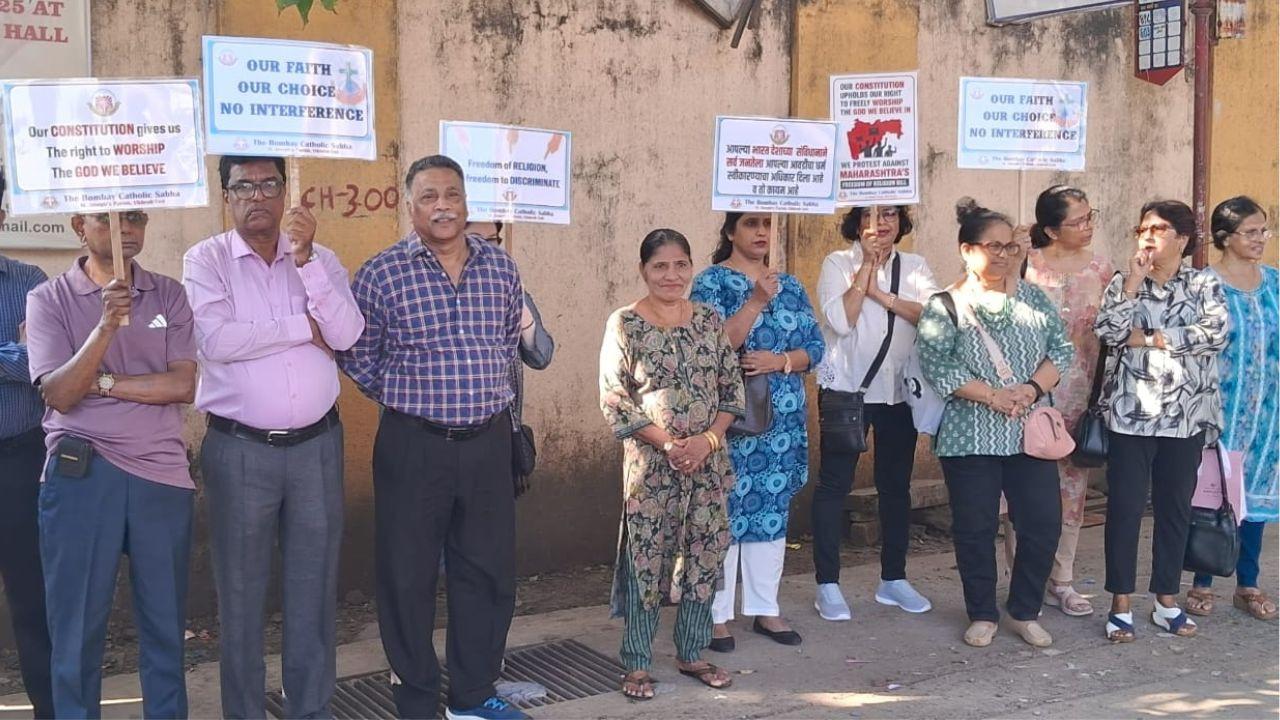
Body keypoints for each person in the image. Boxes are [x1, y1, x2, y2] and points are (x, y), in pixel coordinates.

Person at [338, 155, 528, 720]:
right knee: (406, 575)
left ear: (467, 203)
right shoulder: (381, 273)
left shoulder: (500, 268)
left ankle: (472, 694)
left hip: (487, 443)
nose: (442, 205)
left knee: (488, 571)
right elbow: (358, 356)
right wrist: (408, 398)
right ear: (410, 205)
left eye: (451, 194)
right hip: (413, 446)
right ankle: (416, 700)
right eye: (428, 196)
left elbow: (507, 346)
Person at [182, 156, 365, 719]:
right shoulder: (206, 260)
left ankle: (309, 709)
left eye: (268, 184)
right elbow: (214, 340)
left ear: (287, 192)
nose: (257, 196)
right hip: (239, 451)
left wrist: (306, 261)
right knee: (240, 596)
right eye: (244, 186)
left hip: (316, 447)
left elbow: (347, 332)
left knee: (312, 592)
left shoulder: (322, 259)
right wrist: (299, 329)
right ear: (225, 195)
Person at [25, 209, 197, 718]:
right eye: (108, 217)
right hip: (82, 475)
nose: (126, 229)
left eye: (137, 218)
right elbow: (58, 392)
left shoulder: (168, 293)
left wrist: (103, 385)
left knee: (166, 630)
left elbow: (182, 385)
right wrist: (105, 326)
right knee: (76, 635)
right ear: (80, 226)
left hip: (162, 476)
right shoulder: (48, 300)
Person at [916, 199, 1074, 649]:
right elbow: (938, 366)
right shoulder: (945, 305)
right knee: (975, 527)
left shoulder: (1032, 298)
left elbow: (1060, 352)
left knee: (1043, 523)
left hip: (1028, 433)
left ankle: (1024, 610)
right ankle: (981, 611)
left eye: (1010, 247)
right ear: (968, 250)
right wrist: (992, 395)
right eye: (993, 246)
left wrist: (1029, 389)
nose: (1004, 255)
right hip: (971, 432)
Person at [598, 229, 744, 700]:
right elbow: (615, 399)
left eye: (681, 264)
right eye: (660, 266)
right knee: (647, 558)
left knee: (703, 552)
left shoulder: (708, 320)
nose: (671, 275)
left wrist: (706, 440)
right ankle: (637, 663)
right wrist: (667, 444)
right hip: (651, 470)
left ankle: (693, 652)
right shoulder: (624, 323)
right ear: (643, 270)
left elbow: (731, 391)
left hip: (706, 464)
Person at [1095, 200, 1228, 642]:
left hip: (1185, 419)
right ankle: (1120, 603)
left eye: (1160, 229)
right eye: (1143, 228)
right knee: (1125, 511)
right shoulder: (1125, 283)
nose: (1149, 236)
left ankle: (1167, 600)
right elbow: (1109, 332)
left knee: (1175, 510)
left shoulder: (1203, 283)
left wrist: (1149, 337)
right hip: (1130, 417)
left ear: (1183, 239)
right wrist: (1132, 283)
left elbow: (1213, 335)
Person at [691, 212, 824, 650]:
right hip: (731, 422)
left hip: (781, 422)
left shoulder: (791, 285)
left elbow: (815, 347)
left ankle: (766, 608)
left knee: (771, 510)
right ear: (731, 232)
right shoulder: (711, 284)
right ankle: (716, 615)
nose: (762, 232)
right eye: (751, 224)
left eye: (767, 224)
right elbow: (712, 345)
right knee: (726, 514)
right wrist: (754, 302)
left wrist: (781, 361)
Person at [810, 205, 939, 621]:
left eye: (889, 214)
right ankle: (827, 584)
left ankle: (893, 579)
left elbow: (932, 317)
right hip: (847, 389)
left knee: (895, 485)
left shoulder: (915, 266)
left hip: (899, 392)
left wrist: (881, 296)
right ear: (855, 222)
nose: (880, 224)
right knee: (835, 485)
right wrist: (866, 266)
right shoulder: (837, 262)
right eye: (870, 215)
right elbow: (841, 320)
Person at [1023, 185, 1114, 617]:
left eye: (1090, 216)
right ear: (1050, 230)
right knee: (1021, 487)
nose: (1088, 226)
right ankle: (1025, 577)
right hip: (1027, 392)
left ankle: (1063, 579)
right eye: (1078, 220)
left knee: (1072, 488)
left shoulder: (1102, 269)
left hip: (1081, 393)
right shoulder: (1027, 265)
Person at [1185, 196, 1277, 622]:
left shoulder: (1275, 283)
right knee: (1216, 496)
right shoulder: (1204, 284)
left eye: (1264, 231)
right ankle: (1202, 583)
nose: (1261, 239)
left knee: (1256, 497)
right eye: (1251, 232)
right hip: (1218, 412)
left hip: (1268, 415)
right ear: (1225, 237)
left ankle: (1248, 584)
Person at [0, 169, 54, 720]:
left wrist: (16, 357)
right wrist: (6, 351)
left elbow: (41, 363)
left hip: (19, 459)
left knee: (34, 601)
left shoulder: (30, 282)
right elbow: (15, 356)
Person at [466, 220, 555, 495]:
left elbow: (541, 356)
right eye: (474, 239)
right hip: (444, 441)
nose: (485, 249)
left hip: (499, 436)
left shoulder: (512, 290)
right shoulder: (433, 295)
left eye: (492, 240)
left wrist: (523, 318)